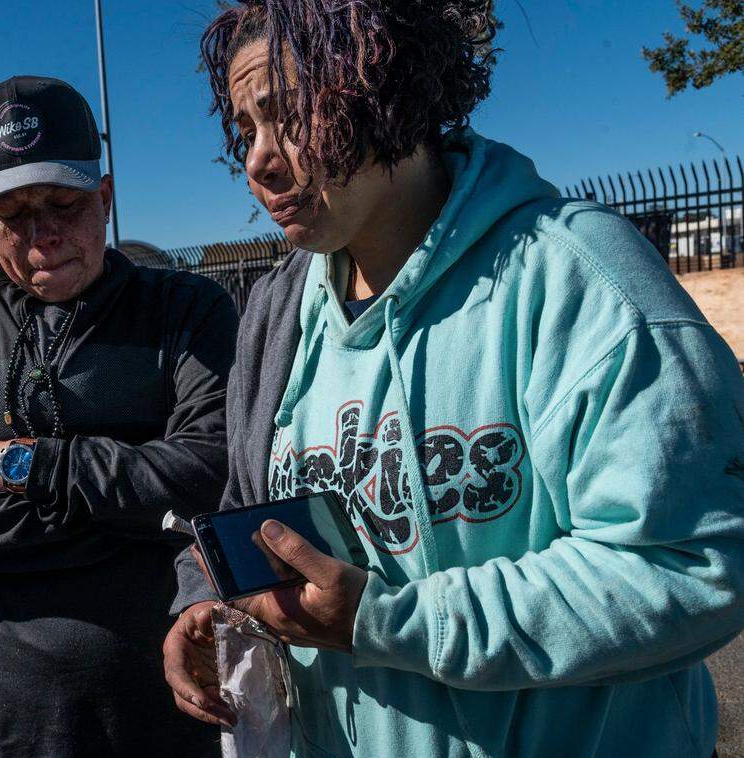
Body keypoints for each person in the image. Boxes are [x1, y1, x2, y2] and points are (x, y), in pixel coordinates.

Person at [164, 2, 744, 756]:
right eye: (247, 131)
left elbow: (686, 567)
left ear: (385, 87)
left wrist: (385, 623)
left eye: (290, 117)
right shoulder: (280, 314)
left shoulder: (575, 279)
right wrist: (205, 598)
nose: (259, 162)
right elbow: (245, 507)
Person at [0, 76, 237, 757]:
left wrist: (29, 463)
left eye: (64, 205)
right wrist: (137, 520)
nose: (43, 237)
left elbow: (212, 475)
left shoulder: (186, 312)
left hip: (158, 716)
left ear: (104, 199)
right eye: (12, 215)